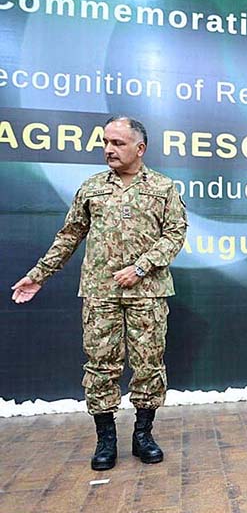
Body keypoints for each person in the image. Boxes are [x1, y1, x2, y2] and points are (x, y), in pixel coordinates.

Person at [11, 116, 187, 471]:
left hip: (147, 295)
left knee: (148, 366)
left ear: (140, 148)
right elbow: (69, 236)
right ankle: (106, 439)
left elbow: (175, 235)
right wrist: (38, 275)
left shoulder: (164, 189)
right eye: (106, 142)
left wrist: (141, 266)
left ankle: (143, 435)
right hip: (100, 294)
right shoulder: (91, 188)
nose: (109, 149)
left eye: (118, 143)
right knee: (101, 367)